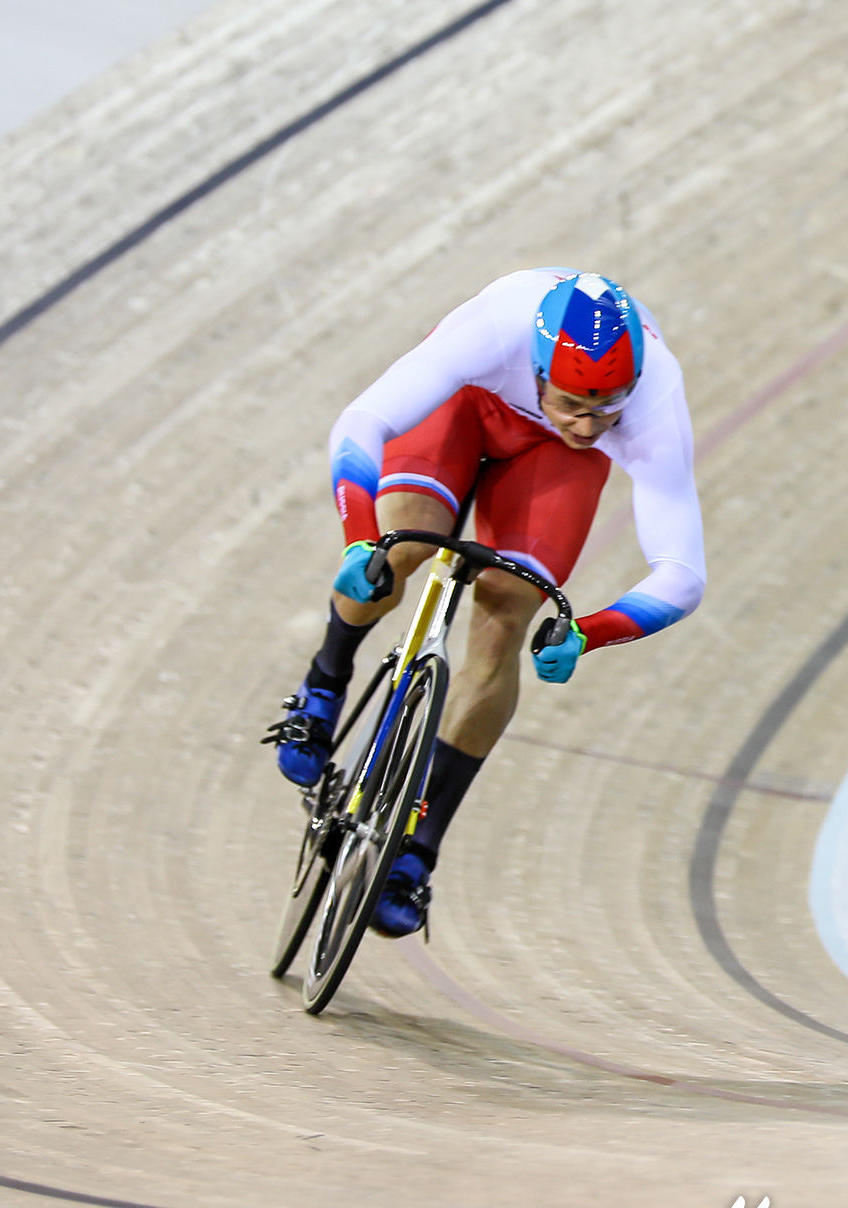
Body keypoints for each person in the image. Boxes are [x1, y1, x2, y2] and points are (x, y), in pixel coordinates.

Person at [266, 268, 705, 937]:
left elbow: (682, 572)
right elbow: (364, 422)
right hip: (467, 406)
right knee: (403, 548)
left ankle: (417, 852)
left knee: (506, 614)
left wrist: (589, 632)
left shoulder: (652, 398)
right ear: (535, 370)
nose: (590, 425)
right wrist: (361, 540)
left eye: (606, 408)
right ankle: (323, 685)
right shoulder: (494, 331)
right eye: (571, 403)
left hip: (547, 462)